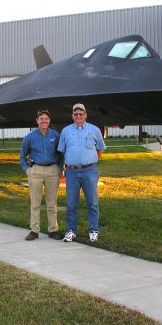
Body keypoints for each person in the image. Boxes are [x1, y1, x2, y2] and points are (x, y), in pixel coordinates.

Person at [58, 103, 106, 242]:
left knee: (92, 202)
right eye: (75, 114)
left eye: (81, 113)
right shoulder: (66, 131)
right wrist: (63, 168)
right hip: (72, 172)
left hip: (89, 171)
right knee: (71, 204)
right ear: (72, 116)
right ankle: (71, 231)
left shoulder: (94, 130)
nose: (78, 116)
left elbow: (100, 148)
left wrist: (91, 160)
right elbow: (62, 151)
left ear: (85, 115)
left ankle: (93, 230)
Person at [19, 110, 63, 241]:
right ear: (37, 121)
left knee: (52, 203)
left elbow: (61, 154)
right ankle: (34, 230)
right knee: (35, 202)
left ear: (49, 121)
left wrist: (58, 168)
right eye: (41, 119)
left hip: (52, 171)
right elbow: (22, 156)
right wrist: (27, 170)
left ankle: (53, 230)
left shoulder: (56, 135)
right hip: (35, 172)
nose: (44, 121)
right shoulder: (30, 137)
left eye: (46, 119)